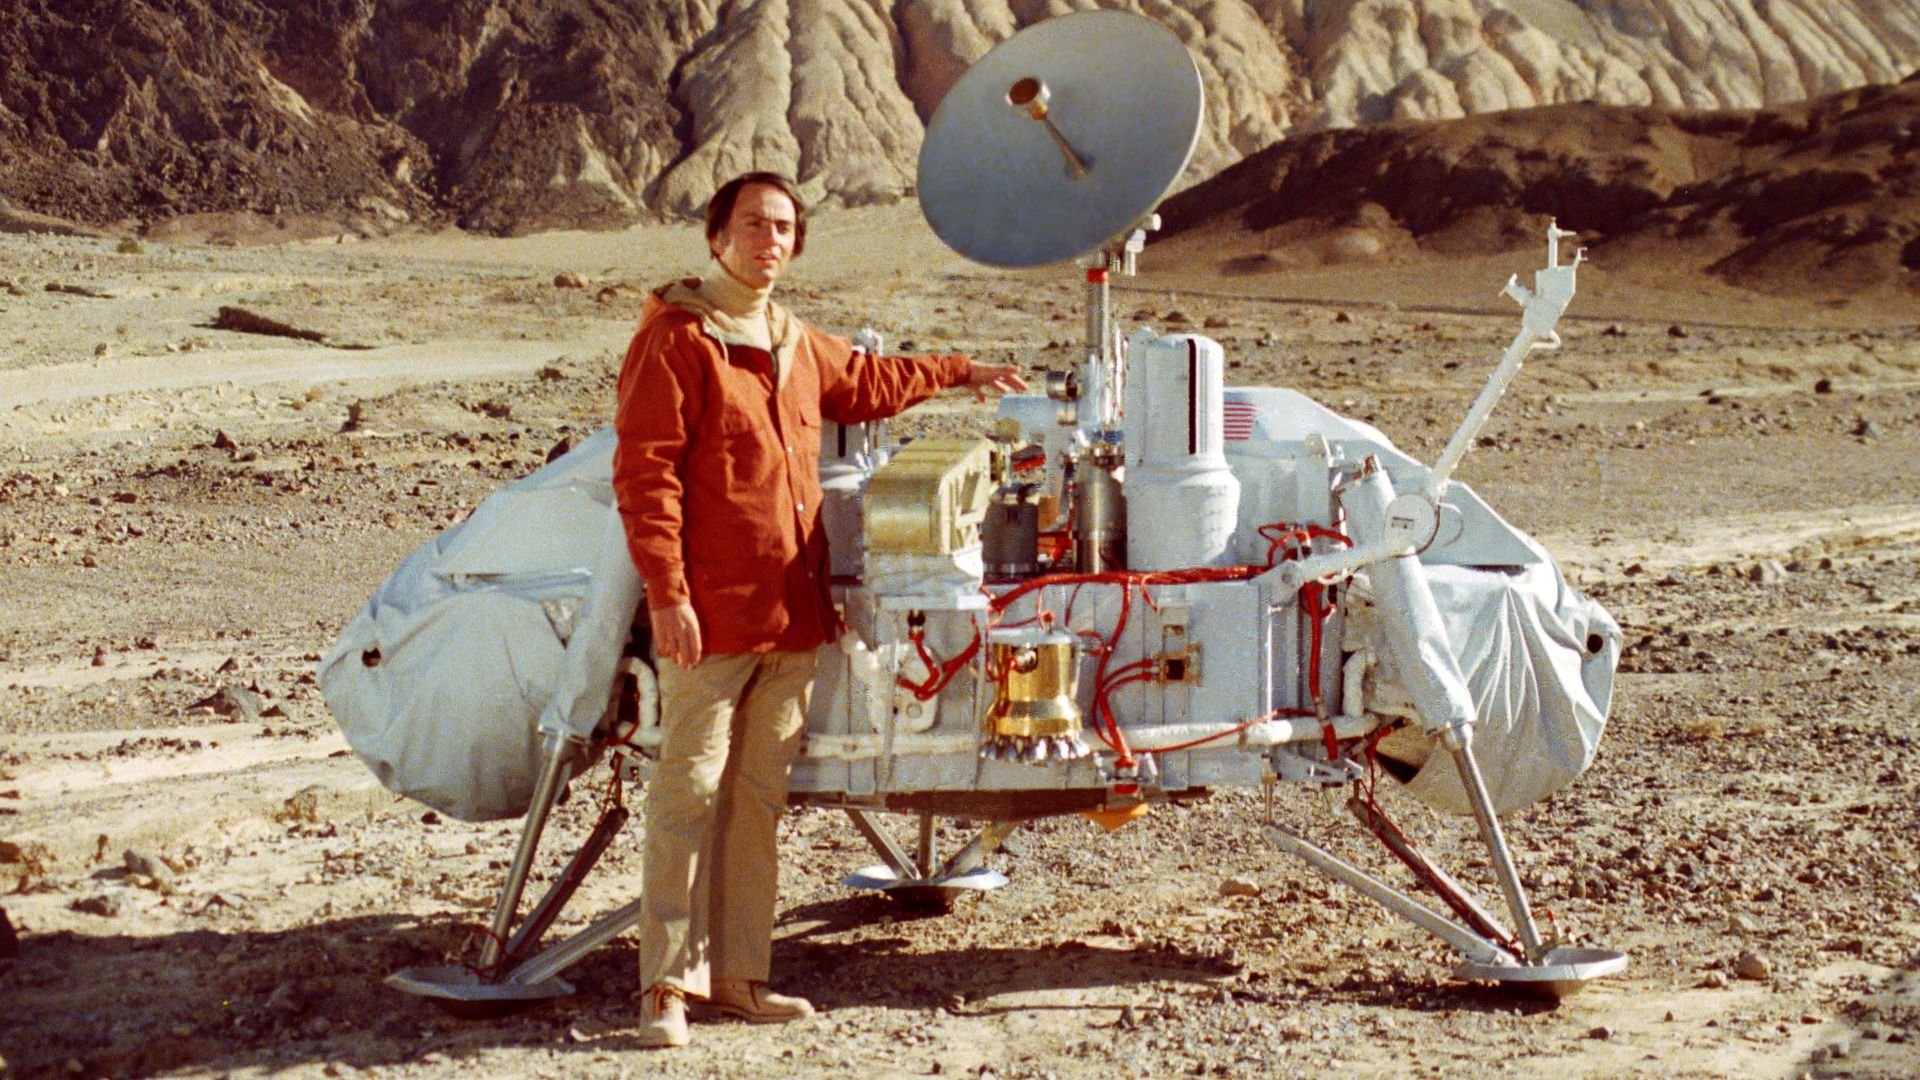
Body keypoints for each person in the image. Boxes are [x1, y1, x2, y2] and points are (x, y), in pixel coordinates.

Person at [611, 171, 1026, 1048]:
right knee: (688, 794)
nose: (771, 240)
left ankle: (741, 978)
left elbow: (872, 381)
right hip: (709, 618)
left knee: (757, 799)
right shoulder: (678, 338)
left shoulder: (795, 341)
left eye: (786, 228)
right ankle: (665, 988)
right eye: (754, 224)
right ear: (716, 237)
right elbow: (646, 480)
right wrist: (668, 597)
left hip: (793, 617)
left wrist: (961, 372)